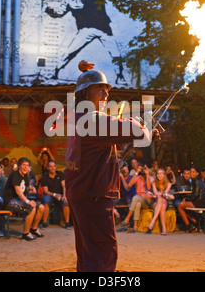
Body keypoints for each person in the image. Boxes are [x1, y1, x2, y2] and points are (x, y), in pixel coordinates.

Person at [64, 68, 151, 272]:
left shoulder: (79, 118)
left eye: (107, 90)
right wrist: (141, 127)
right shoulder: (92, 119)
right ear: (85, 93)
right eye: (99, 89)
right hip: (93, 194)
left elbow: (107, 148)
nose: (106, 94)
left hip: (83, 193)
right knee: (103, 252)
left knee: (88, 251)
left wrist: (138, 139)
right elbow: (136, 130)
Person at [3, 157, 44, 241]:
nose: (26, 167)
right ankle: (25, 233)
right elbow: (18, 191)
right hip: (10, 201)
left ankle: (34, 229)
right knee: (32, 208)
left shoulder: (25, 175)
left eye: (27, 165)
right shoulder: (15, 174)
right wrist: (28, 201)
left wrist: (30, 190)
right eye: (24, 165)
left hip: (20, 200)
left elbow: (22, 190)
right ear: (19, 166)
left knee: (41, 207)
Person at [177, 167, 205, 233]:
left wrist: (186, 199)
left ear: (197, 173)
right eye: (191, 172)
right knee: (183, 208)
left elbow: (196, 194)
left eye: (193, 172)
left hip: (200, 202)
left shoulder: (196, 180)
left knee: (180, 206)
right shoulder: (197, 180)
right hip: (202, 201)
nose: (191, 173)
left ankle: (190, 225)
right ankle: (194, 223)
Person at [119, 165, 152, 233]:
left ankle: (127, 219)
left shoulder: (149, 177)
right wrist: (136, 172)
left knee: (135, 198)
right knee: (137, 204)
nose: (143, 171)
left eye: (144, 169)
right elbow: (129, 185)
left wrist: (147, 174)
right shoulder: (137, 177)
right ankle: (135, 226)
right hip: (138, 199)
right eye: (142, 169)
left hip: (146, 200)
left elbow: (149, 188)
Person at [40, 160, 70, 228]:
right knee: (46, 201)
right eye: (50, 166)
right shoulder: (44, 177)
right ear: (47, 168)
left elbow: (64, 186)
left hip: (60, 195)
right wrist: (54, 195)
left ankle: (67, 223)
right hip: (50, 195)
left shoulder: (60, 174)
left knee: (65, 202)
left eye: (54, 166)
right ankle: (44, 222)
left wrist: (65, 195)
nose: (53, 168)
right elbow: (45, 191)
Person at [146, 168, 173, 235]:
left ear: (164, 175)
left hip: (164, 201)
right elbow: (156, 193)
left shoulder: (168, 184)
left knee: (161, 200)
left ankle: (152, 222)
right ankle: (164, 229)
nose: (159, 175)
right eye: (158, 173)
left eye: (161, 173)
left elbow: (164, 194)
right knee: (161, 203)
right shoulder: (154, 183)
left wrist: (160, 195)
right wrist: (158, 195)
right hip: (155, 202)